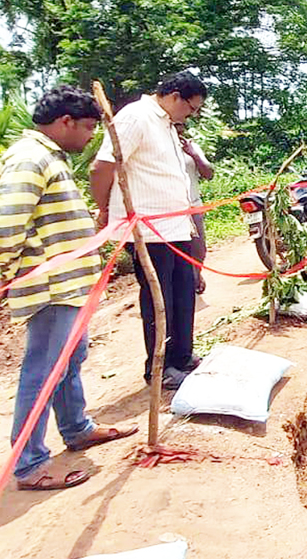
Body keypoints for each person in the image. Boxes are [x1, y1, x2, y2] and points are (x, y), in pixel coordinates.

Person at [0, 85, 139, 491]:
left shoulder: (49, 157)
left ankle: (76, 428)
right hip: (52, 287)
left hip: (72, 286)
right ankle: (30, 465)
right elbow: (8, 224)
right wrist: (3, 268)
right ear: (65, 121)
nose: (91, 136)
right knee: (42, 373)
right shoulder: (29, 158)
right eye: (88, 127)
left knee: (69, 362)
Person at [91, 71, 207, 390]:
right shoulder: (136, 117)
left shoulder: (167, 125)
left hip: (176, 227)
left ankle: (183, 357)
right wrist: (104, 210)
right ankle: (160, 367)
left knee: (184, 292)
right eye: (191, 108)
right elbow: (102, 167)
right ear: (174, 97)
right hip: (149, 231)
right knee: (160, 299)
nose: (191, 115)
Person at [175, 121, 214, 294]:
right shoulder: (157, 148)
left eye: (181, 125)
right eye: (175, 125)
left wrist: (193, 154)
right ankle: (186, 286)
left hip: (193, 206)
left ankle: (196, 275)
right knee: (177, 251)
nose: (179, 128)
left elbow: (209, 173)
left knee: (198, 249)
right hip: (170, 210)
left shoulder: (190, 146)